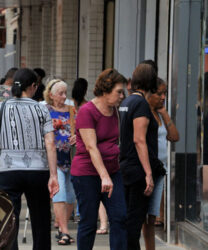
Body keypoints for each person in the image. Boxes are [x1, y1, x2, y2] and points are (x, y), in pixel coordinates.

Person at [0, 68, 59, 250]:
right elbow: (50, 143)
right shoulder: (41, 109)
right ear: (33, 86)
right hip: (37, 171)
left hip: (7, 172)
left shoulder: (0, 107)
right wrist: (54, 175)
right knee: (41, 220)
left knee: (9, 220)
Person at [71, 68, 127, 250]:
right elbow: (91, 147)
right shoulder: (87, 111)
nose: (122, 96)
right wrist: (104, 176)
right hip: (87, 173)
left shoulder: (116, 111)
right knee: (88, 222)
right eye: (119, 91)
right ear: (105, 90)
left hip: (112, 170)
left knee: (119, 217)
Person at [119, 63, 159, 250]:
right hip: (137, 170)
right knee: (134, 223)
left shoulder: (125, 102)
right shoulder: (141, 104)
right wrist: (148, 173)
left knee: (128, 219)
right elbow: (139, 140)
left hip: (126, 166)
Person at [142, 78, 179, 250]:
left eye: (165, 93)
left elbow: (174, 137)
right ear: (149, 93)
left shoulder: (159, 113)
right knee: (140, 217)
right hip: (145, 171)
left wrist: (164, 113)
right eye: (160, 93)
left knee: (151, 218)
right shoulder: (143, 113)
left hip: (159, 171)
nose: (163, 97)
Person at [43, 79, 76, 245]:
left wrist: (77, 136)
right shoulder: (45, 110)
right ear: (51, 95)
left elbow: (81, 129)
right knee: (60, 193)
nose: (64, 96)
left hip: (71, 158)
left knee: (71, 197)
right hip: (54, 160)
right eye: (60, 93)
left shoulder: (72, 110)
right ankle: (64, 231)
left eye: (65, 92)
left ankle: (61, 224)